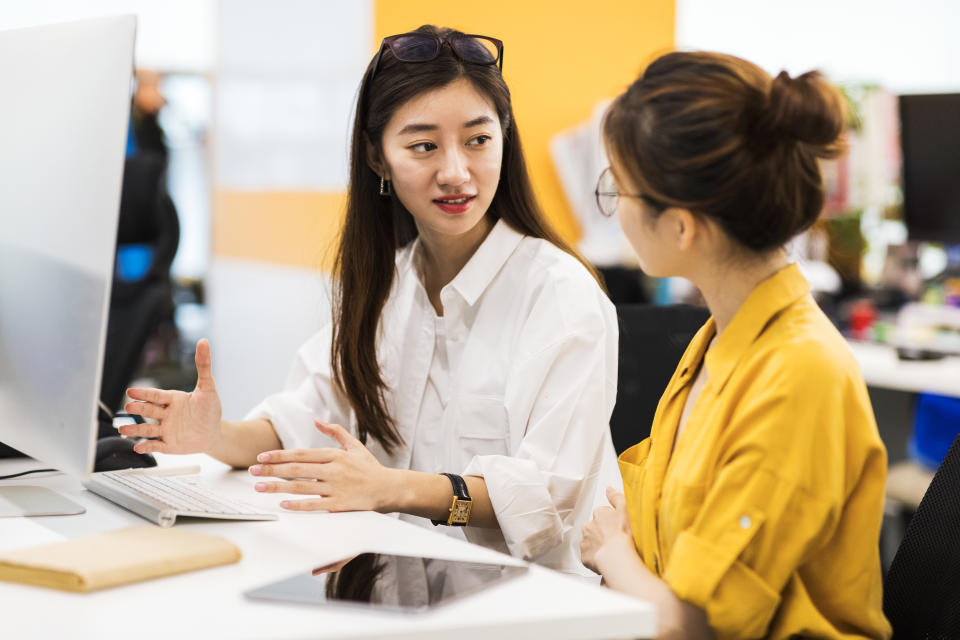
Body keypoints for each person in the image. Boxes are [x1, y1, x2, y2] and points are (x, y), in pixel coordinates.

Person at [121, 25, 619, 574]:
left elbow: (548, 498)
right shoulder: (388, 284)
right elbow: (301, 420)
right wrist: (214, 435)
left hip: (534, 604)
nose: (456, 172)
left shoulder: (561, 294)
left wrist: (392, 489)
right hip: (403, 588)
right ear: (378, 159)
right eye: (423, 146)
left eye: (478, 139)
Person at [579, 51, 891, 639]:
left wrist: (612, 554)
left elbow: (695, 626)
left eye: (618, 189)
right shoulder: (720, 338)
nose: (614, 209)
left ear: (681, 226)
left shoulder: (797, 374)